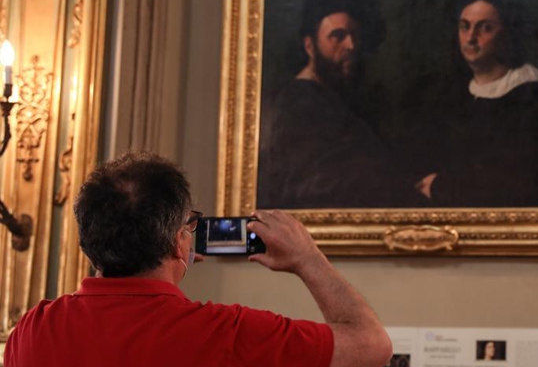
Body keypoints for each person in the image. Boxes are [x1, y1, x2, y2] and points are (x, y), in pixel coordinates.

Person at [3, 151, 393, 367]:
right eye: (188, 226)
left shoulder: (33, 330)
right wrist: (307, 258)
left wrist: (174, 251)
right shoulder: (228, 333)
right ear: (179, 242)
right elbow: (372, 346)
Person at [415, 0, 538, 207]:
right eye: (465, 27)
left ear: (507, 34)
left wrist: (441, 187)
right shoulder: (451, 95)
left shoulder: (537, 101)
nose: (471, 38)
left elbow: (525, 187)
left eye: (485, 28)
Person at [258, 0, 427, 208]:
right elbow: (325, 185)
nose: (351, 45)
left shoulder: (343, 98)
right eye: (338, 36)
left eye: (354, 35)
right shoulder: (297, 105)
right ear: (310, 46)